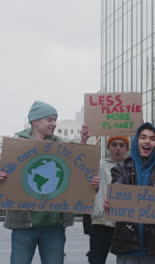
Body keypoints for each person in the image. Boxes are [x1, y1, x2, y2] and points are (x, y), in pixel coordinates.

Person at [0, 101, 99, 264]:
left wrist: (89, 181)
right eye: (50, 120)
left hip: (54, 225)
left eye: (55, 120)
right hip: (23, 225)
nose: (54, 124)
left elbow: (76, 166)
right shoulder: (15, 145)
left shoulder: (62, 145)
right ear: (35, 121)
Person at [109, 122, 155, 264]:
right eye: (143, 137)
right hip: (127, 246)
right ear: (136, 141)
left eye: (152, 139)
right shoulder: (121, 169)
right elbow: (118, 189)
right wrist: (112, 202)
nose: (147, 141)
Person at [89, 136, 129, 264]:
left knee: (127, 260)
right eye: (114, 144)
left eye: (122, 145)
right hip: (102, 222)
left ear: (127, 148)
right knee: (97, 259)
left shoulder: (132, 168)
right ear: (108, 147)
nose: (118, 148)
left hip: (124, 223)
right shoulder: (98, 165)